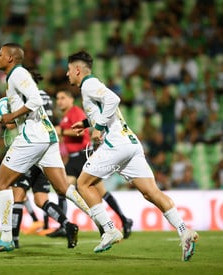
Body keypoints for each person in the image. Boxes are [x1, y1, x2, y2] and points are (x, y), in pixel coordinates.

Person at [66, 50, 199, 261]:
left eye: (69, 70)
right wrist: (86, 123)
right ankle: (184, 231)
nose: (67, 74)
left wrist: (98, 127)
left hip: (116, 144)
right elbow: (107, 109)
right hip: (130, 143)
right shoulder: (93, 85)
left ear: (77, 70)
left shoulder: (88, 85)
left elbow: (113, 99)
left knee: (83, 184)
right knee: (151, 192)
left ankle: (110, 229)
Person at [0, 43, 92, 254]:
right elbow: (16, 119)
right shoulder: (16, 81)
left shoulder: (17, 75)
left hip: (33, 139)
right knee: (62, 188)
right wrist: (0, 114)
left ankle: (7, 238)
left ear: (11, 58)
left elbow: (32, 102)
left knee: (3, 183)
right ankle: (103, 222)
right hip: (46, 137)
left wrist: (9, 115)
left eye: (1, 55)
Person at [49, 90, 133, 239]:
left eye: (63, 98)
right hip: (72, 159)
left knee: (100, 191)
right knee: (62, 189)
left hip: (83, 156)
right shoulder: (65, 116)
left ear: (70, 99)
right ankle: (64, 225)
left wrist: (61, 131)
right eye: (57, 98)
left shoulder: (76, 112)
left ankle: (123, 219)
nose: (59, 101)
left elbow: (82, 132)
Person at [11, 83, 79, 248]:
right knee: (41, 200)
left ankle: (13, 240)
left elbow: (16, 122)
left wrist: (3, 116)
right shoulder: (46, 102)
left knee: (18, 196)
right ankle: (67, 224)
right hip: (46, 154)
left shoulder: (26, 97)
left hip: (31, 152)